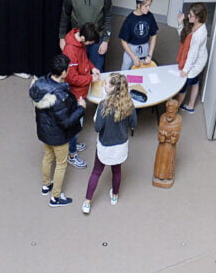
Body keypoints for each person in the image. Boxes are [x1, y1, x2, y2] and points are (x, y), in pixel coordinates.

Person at [30, 54, 83, 208]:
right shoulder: (60, 96)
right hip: (58, 136)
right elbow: (66, 121)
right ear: (64, 73)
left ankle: (46, 185)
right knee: (61, 163)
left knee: (47, 157)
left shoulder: (39, 84)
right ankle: (56, 197)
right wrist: (81, 108)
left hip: (44, 132)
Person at [82, 73, 137, 215]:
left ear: (112, 88)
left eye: (106, 84)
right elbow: (133, 123)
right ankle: (115, 195)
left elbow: (97, 128)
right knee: (117, 170)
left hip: (105, 144)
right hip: (120, 145)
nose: (103, 85)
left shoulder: (103, 106)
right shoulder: (129, 104)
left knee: (96, 172)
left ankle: (87, 202)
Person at [57, 0, 111, 70]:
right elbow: (65, 14)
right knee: (77, 69)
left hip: (97, 38)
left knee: (96, 69)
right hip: (79, 38)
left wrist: (106, 40)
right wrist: (62, 37)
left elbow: (108, 16)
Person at [61, 23, 99, 167]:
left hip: (81, 92)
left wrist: (92, 68)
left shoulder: (80, 43)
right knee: (75, 125)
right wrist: (90, 78)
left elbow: (84, 61)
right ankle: (72, 154)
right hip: (75, 94)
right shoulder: (70, 50)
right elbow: (71, 78)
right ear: (83, 37)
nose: (90, 45)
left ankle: (74, 144)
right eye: (89, 42)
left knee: (78, 123)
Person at [175, 4, 210, 113]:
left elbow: (192, 55)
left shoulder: (200, 34)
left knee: (184, 85)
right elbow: (182, 36)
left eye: (191, 15)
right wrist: (180, 23)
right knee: (195, 82)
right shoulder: (193, 24)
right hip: (196, 57)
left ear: (198, 18)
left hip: (196, 62)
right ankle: (190, 106)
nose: (188, 16)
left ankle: (174, 110)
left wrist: (185, 70)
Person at [118, 0, 158, 68]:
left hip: (145, 47)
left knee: (142, 72)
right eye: (146, 6)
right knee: (126, 73)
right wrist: (133, 57)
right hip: (131, 49)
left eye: (149, 5)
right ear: (139, 5)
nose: (148, 8)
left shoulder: (150, 16)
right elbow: (123, 41)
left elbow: (154, 35)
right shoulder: (129, 19)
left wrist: (149, 55)